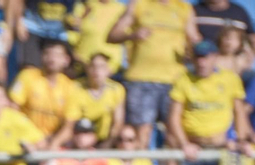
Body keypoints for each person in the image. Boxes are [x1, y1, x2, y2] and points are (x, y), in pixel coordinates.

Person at [109, 0, 197, 149]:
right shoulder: (138, 4)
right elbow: (112, 35)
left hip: (174, 80)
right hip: (140, 79)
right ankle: (142, 164)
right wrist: (133, 35)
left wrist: (194, 51)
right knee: (142, 133)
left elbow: (194, 39)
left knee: (173, 133)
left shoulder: (184, 8)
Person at [169, 40, 247, 165]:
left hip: (220, 149)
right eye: (198, 58)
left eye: (206, 58)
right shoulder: (183, 80)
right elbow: (174, 116)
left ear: (215, 58)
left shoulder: (230, 79)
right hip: (193, 150)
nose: (202, 63)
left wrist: (240, 140)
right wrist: (184, 144)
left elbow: (239, 112)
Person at [8, 38, 77, 148]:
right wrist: (33, 137)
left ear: (66, 60)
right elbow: (12, 110)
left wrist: (54, 144)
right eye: (47, 54)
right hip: (26, 139)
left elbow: (68, 126)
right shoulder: (27, 76)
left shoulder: (70, 87)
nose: (52, 58)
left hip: (53, 141)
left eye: (57, 55)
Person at [64, 51, 124, 147]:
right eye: (93, 66)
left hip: (105, 141)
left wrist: (107, 145)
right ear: (87, 69)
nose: (97, 70)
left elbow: (118, 123)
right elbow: (70, 123)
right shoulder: (75, 87)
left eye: (101, 67)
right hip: (80, 138)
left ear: (108, 70)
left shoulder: (116, 89)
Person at [67, 0, 126, 76]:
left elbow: (126, 37)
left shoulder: (121, 9)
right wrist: (75, 55)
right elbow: (72, 32)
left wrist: (114, 65)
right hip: (81, 65)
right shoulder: (85, 5)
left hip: (110, 67)